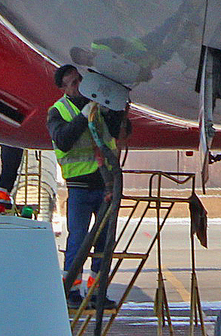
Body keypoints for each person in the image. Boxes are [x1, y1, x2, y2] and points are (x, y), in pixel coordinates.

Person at [48, 64, 129, 308]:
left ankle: (96, 292)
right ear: (64, 89)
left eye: (80, 80)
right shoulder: (58, 111)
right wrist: (83, 117)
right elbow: (62, 140)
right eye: (73, 83)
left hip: (106, 185)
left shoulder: (98, 106)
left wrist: (114, 111)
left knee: (104, 242)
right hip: (80, 186)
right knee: (79, 240)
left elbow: (122, 131)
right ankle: (71, 291)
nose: (79, 86)